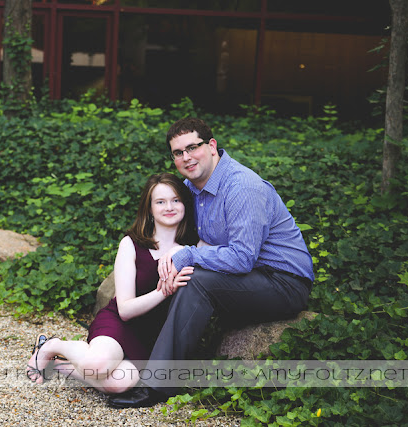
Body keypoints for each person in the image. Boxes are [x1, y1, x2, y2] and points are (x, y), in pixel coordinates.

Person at [109, 117, 314, 408]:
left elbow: (242, 258)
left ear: (212, 146)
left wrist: (188, 254)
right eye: (178, 153)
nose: (186, 157)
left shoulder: (242, 187)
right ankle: (146, 351)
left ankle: (158, 385)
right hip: (246, 280)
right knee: (185, 272)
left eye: (192, 147)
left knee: (196, 280)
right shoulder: (189, 189)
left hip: (283, 282)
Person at [26, 173, 199, 394]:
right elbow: (125, 310)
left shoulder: (195, 246)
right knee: (96, 365)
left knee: (118, 384)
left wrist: (181, 251)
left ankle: (59, 365)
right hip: (119, 323)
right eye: (160, 201)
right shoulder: (131, 244)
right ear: (149, 208)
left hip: (154, 336)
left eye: (176, 200)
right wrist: (165, 291)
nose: (169, 207)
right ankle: (52, 345)